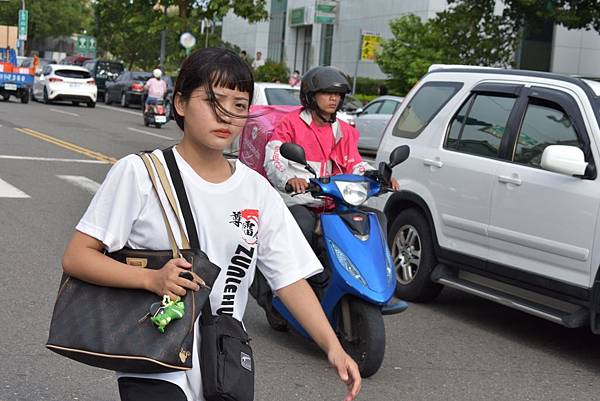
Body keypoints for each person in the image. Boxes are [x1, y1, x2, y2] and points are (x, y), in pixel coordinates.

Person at [62, 48, 361, 401]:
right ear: (180, 104)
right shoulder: (140, 174)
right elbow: (78, 257)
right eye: (213, 100)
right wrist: (150, 278)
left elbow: (289, 279)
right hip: (155, 354)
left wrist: (332, 347)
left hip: (224, 358)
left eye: (238, 105)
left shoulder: (256, 190)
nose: (227, 115)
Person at [264, 66, 400, 250]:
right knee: (302, 226)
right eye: (327, 93)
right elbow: (274, 159)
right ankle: (305, 277)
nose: (334, 98)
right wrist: (289, 179)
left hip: (338, 204)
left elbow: (355, 164)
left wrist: (376, 175)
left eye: (338, 94)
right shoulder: (291, 123)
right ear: (311, 95)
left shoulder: (344, 130)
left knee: (377, 219)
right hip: (302, 202)